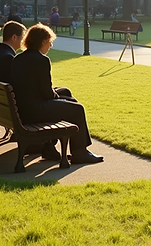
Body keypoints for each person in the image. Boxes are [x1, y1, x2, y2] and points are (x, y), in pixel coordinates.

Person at [10, 24, 103, 164]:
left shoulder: (18, 59)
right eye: (49, 42)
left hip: (22, 108)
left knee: (66, 94)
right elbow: (47, 93)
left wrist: (63, 99)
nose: (50, 45)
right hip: (34, 110)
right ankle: (79, 152)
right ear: (42, 42)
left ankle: (49, 147)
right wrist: (61, 100)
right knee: (77, 109)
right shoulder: (42, 60)